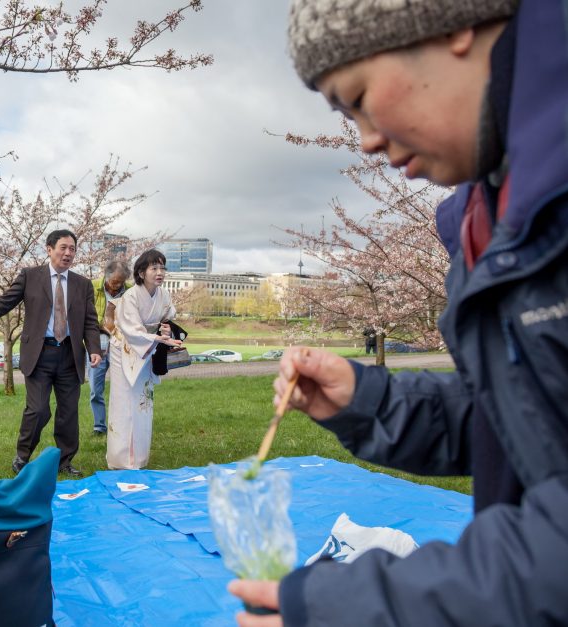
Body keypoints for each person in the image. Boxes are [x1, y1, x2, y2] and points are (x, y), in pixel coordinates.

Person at [228, 2, 568, 625]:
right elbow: (525, 422)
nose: (366, 141)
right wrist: (368, 400)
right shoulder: (487, 215)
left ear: (454, 26)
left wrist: (357, 606)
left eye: (357, 98)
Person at [0, 229, 101, 477]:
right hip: (39, 354)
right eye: (63, 247)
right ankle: (22, 456)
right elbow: (4, 302)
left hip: (69, 356)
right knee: (38, 409)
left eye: (72, 249)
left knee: (68, 413)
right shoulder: (31, 277)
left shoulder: (82, 284)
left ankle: (64, 461)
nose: (68, 253)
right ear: (49, 249)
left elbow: (89, 321)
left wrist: (94, 348)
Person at [106, 250, 182, 470]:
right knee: (124, 404)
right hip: (126, 352)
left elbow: (168, 315)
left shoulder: (163, 295)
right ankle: (121, 460)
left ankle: (139, 458)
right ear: (141, 272)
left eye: (162, 268)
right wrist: (159, 337)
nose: (160, 273)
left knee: (143, 403)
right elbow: (131, 330)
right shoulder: (130, 297)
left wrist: (165, 328)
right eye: (154, 268)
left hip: (147, 350)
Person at [88, 260, 131, 435]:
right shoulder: (91, 287)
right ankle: (99, 426)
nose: (116, 286)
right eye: (114, 282)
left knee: (122, 387)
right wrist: (104, 326)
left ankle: (120, 425)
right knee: (95, 389)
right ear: (106, 276)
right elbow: (86, 316)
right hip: (97, 344)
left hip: (120, 344)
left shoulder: (129, 291)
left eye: (120, 282)